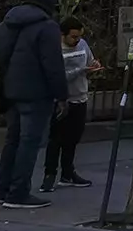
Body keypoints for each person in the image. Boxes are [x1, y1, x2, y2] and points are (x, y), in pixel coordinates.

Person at [0, 0, 70, 208]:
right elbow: (53, 65)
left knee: (12, 140)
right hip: (36, 93)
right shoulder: (47, 27)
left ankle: (1, 191)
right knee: (29, 142)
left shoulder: (5, 24)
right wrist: (62, 95)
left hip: (9, 90)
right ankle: (18, 194)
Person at [41, 19, 102, 190]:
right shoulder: (56, 49)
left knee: (73, 139)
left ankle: (67, 172)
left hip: (80, 97)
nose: (76, 40)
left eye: (79, 37)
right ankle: (49, 174)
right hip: (61, 99)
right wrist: (81, 70)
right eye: (73, 37)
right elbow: (57, 75)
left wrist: (93, 66)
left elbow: (89, 62)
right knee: (55, 139)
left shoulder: (82, 45)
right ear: (63, 35)